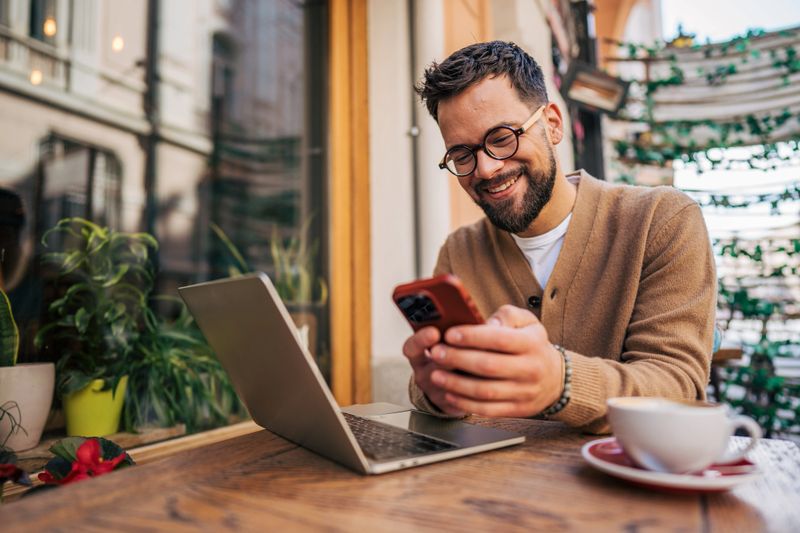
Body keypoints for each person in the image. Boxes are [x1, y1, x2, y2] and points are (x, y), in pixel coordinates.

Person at [404, 41, 716, 433]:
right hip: (491, 484)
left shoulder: (662, 220)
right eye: (462, 155)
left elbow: (678, 387)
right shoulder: (459, 251)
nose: (484, 169)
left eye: (501, 137)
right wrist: (435, 389)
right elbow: (434, 390)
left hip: (624, 484)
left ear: (552, 123)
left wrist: (560, 382)